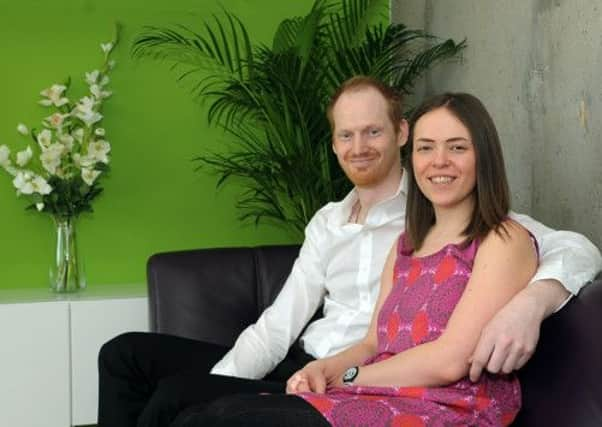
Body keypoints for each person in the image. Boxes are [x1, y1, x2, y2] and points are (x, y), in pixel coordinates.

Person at [97, 77, 602, 427]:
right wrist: (230, 383)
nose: (359, 146)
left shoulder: (476, 225)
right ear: (336, 143)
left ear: (397, 134)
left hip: (385, 382)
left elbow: (571, 247)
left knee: (193, 405)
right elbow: (284, 323)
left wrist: (532, 302)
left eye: (373, 131)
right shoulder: (370, 232)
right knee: (126, 356)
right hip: (329, 366)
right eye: (346, 134)